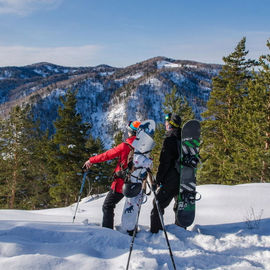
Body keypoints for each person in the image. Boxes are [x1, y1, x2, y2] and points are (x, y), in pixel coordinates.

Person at [84, 120, 141, 230]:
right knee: (132, 208)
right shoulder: (142, 147)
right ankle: (131, 230)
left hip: (121, 183)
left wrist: (91, 160)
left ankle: (107, 231)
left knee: (108, 206)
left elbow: (106, 155)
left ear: (130, 132)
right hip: (137, 182)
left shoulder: (125, 146)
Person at [150, 113, 182, 233]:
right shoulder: (185, 138)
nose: (165, 124)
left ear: (170, 125)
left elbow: (165, 163)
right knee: (180, 204)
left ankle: (155, 232)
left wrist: (158, 180)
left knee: (157, 204)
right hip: (183, 178)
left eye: (166, 123)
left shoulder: (169, 140)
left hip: (170, 178)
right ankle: (181, 229)